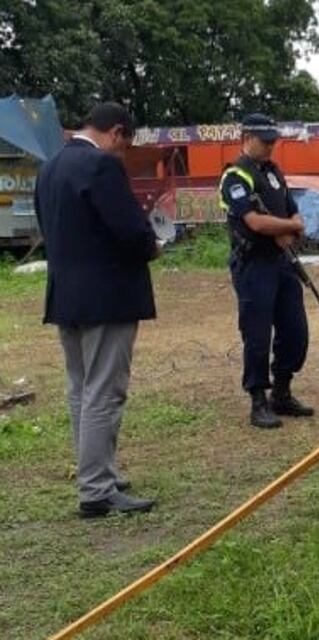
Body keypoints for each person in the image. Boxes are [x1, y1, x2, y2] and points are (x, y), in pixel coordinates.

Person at [33, 102, 159, 518]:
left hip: (66, 295)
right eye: (125, 145)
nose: (122, 153)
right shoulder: (101, 166)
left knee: (80, 389)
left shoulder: (50, 167)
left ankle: (98, 471)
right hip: (107, 296)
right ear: (117, 132)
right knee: (104, 391)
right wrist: (151, 245)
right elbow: (128, 229)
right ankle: (97, 489)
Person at [219, 114, 315, 429]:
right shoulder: (235, 177)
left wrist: (293, 224)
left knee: (295, 330)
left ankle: (282, 391)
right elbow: (255, 223)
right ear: (246, 137)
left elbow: (291, 207)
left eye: (274, 140)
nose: (271, 145)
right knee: (257, 334)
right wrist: (291, 225)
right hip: (254, 265)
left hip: (282, 262)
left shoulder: (273, 172)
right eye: (265, 140)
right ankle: (258, 399)